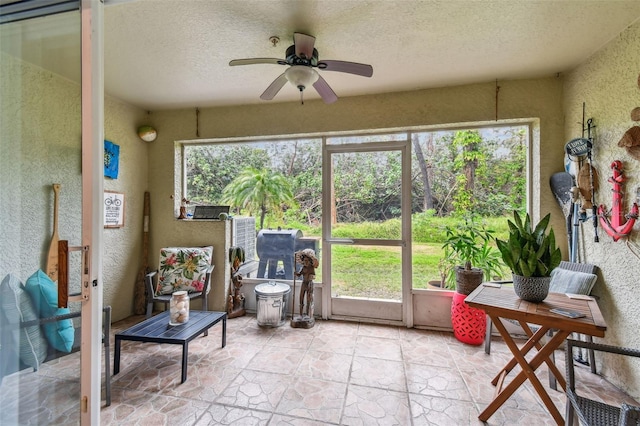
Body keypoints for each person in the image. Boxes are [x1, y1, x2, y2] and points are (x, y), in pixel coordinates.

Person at [296, 249, 318, 318]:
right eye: (304, 261)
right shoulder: (303, 268)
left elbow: (314, 275)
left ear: (310, 261)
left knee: (309, 299)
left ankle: (308, 314)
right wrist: (296, 273)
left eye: (307, 261)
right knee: (301, 297)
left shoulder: (311, 268)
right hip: (304, 283)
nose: (305, 262)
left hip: (309, 284)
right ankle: (300, 314)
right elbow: (299, 274)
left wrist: (311, 277)